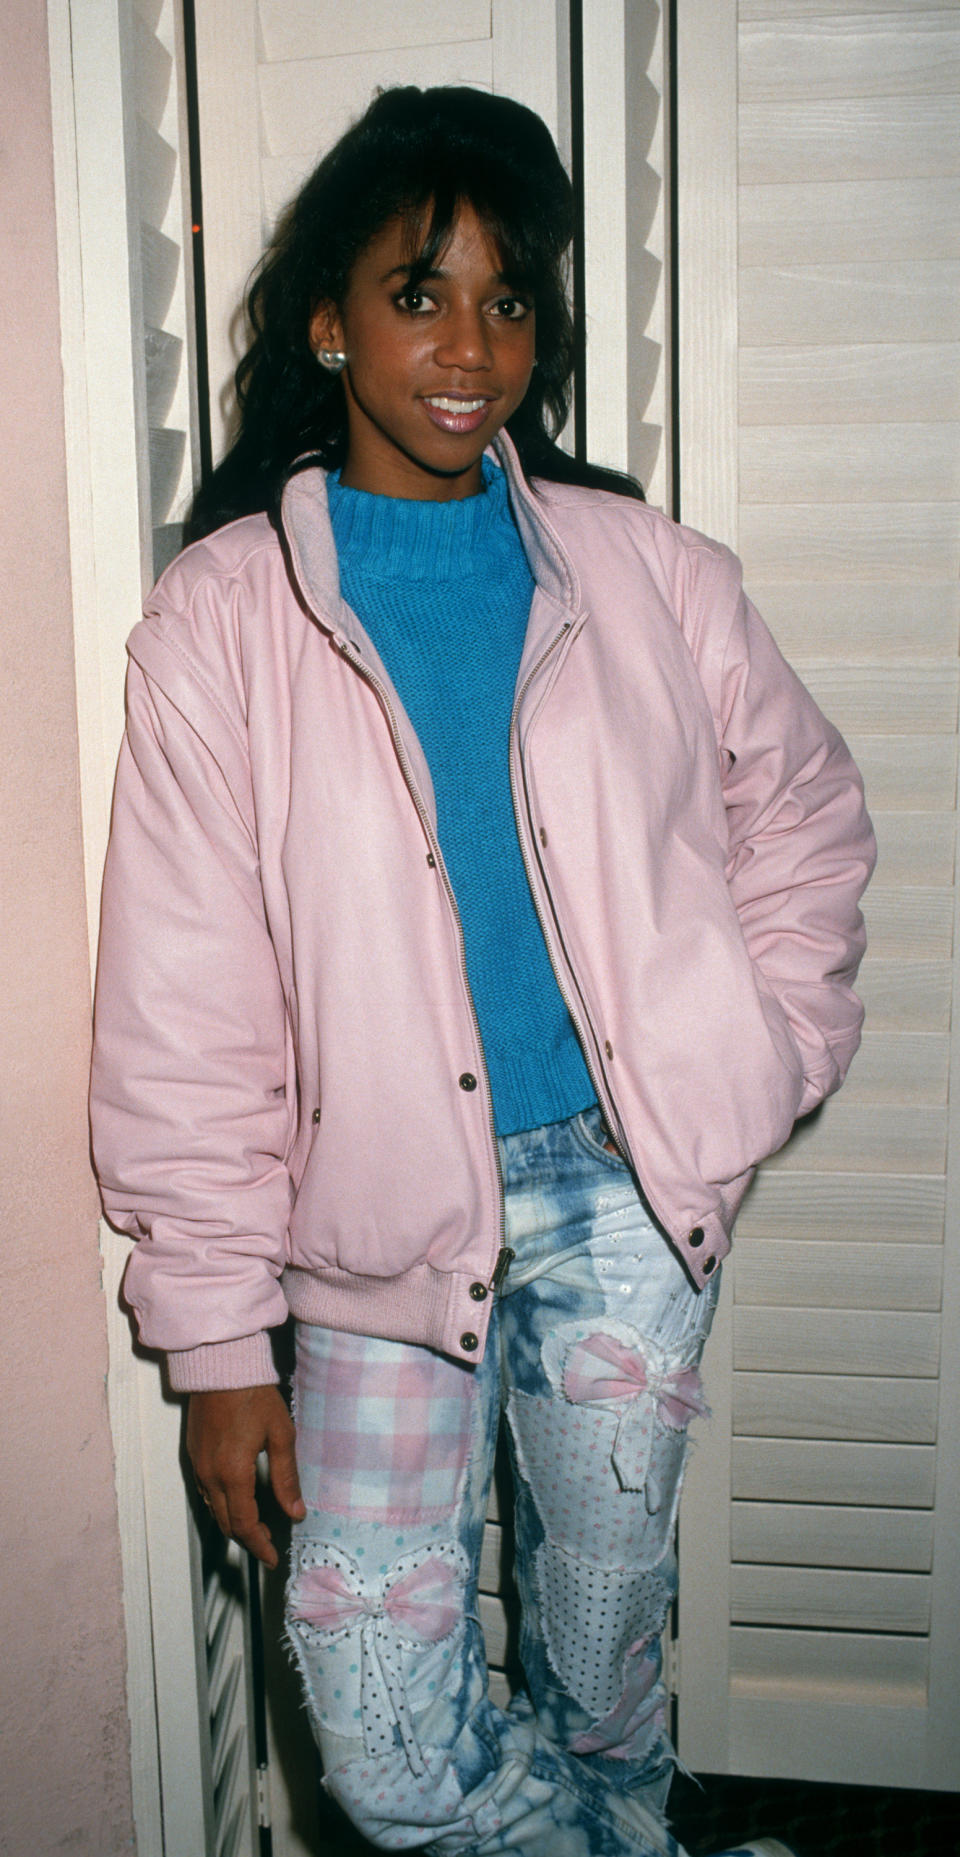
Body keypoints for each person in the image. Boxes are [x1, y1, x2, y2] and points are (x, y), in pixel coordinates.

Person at [90, 85, 874, 1857]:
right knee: (378, 1736)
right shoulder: (224, 622)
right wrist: (217, 1334)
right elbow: (181, 1004)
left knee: (605, 1669)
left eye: (508, 301)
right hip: (371, 1231)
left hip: (624, 1199)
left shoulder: (645, 570)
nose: (467, 347)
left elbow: (808, 816)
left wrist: (757, 1050)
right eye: (418, 292)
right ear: (325, 317)